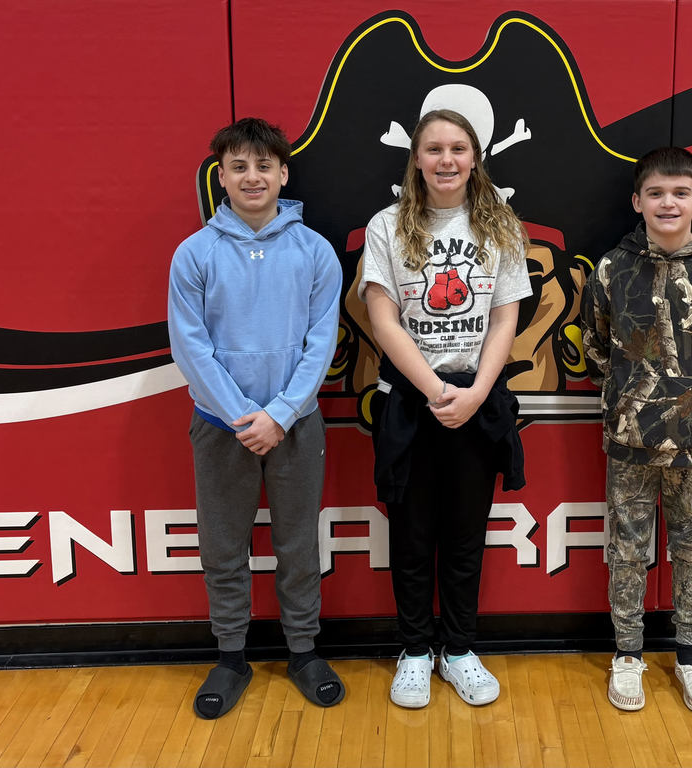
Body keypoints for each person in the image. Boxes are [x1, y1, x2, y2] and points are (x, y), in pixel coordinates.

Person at [168, 117, 344, 719]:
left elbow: (321, 343)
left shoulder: (314, 251)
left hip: (296, 425)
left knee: (298, 544)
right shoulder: (194, 254)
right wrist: (245, 416)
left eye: (264, 165)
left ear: (283, 173)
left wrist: (280, 414)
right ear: (221, 176)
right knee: (223, 546)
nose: (252, 176)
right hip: (221, 428)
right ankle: (231, 655)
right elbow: (191, 347)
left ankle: (302, 651)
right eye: (239, 166)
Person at [358, 109, 531, 708]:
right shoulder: (386, 226)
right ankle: (413, 650)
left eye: (458, 148)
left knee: (464, 536)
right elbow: (382, 318)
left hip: (476, 401)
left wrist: (479, 390)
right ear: (416, 159)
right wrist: (434, 389)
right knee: (410, 536)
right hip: (410, 402)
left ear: (476, 157)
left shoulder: (499, 224)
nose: (447, 160)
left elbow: (507, 313)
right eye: (434, 149)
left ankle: (457, 649)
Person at [580, 146, 692, 714]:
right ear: (637, 201)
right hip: (629, 437)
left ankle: (689, 657)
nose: (668, 202)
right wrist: (634, 394)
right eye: (656, 193)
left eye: (681, 193)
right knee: (627, 549)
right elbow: (596, 343)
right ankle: (627, 654)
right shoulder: (612, 268)